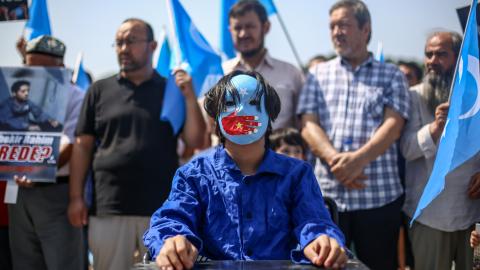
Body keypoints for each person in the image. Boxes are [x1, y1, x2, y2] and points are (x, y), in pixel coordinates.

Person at [144, 70, 348, 270]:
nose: (241, 111)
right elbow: (172, 218)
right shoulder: (192, 175)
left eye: (252, 103)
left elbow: (314, 220)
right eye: (231, 104)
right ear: (215, 119)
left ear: (270, 115)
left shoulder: (297, 174)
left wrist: (320, 240)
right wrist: (172, 240)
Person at [67, 18, 206, 270]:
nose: (123, 48)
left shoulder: (171, 90)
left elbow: (196, 140)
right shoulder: (98, 90)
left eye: (131, 41)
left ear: (152, 46)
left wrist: (188, 96)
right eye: (119, 42)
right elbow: (82, 145)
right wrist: (76, 197)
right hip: (109, 207)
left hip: (162, 212)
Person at [296, 1, 410, 269]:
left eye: (344, 24)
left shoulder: (391, 74)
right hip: (327, 199)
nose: (336, 32)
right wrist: (336, 160)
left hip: (379, 198)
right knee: (324, 265)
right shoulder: (317, 74)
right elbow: (308, 123)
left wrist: (358, 159)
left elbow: (394, 124)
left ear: (365, 29)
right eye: (332, 26)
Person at [400, 31, 480, 270]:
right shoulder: (412, 96)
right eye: (428, 54)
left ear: (459, 59)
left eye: (441, 54)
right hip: (428, 214)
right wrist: (434, 128)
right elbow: (406, 149)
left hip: (472, 214)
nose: (432, 61)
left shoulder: (476, 98)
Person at [7, 35, 85, 270]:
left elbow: (70, 144)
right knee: (24, 263)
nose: (34, 73)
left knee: (63, 263)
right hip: (17, 192)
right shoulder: (16, 97)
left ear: (60, 66)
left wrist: (37, 169)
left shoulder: (75, 97)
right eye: (29, 67)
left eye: (42, 68)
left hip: (56, 193)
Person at [223, 0, 303, 130]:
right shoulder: (220, 73)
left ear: (266, 27)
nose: (243, 34)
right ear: (230, 31)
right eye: (237, 28)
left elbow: (302, 125)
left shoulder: (291, 73)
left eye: (250, 26)